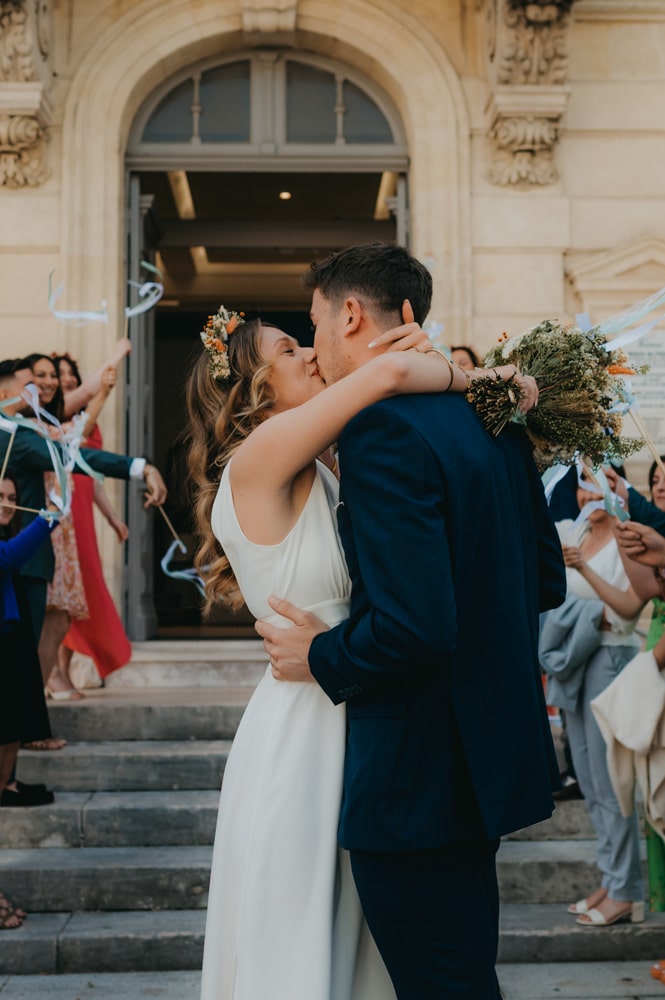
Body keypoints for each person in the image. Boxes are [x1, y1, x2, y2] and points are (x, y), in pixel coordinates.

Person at [185, 290, 530, 999]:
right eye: (288, 351)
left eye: (302, 339)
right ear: (250, 391)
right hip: (309, 725)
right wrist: (492, 382)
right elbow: (385, 378)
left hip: (366, 706)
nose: (310, 352)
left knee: (382, 945)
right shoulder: (258, 457)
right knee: (307, 934)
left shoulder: (322, 464)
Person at [254, 242, 566, 999]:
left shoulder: (383, 430)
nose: (317, 345)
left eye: (315, 324)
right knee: (459, 971)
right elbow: (545, 579)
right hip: (483, 761)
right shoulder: (488, 419)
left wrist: (320, 655)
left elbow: (415, 626)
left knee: (441, 984)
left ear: (350, 314)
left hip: (416, 778)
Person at [0, 360, 167, 706]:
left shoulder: (21, 432)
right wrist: (141, 467)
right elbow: (73, 458)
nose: (37, 391)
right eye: (27, 385)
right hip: (22, 560)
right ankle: (24, 735)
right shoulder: (16, 437)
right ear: (4, 394)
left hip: (21, 559)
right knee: (20, 659)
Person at [541, 466, 645, 927]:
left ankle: (626, 891)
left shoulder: (628, 537)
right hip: (574, 655)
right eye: (582, 481)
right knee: (585, 772)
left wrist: (581, 568)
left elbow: (627, 606)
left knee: (610, 781)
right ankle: (611, 879)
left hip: (610, 658)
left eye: (598, 480)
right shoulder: (572, 529)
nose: (589, 491)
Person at [53, 354, 131, 692]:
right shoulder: (53, 417)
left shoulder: (84, 415)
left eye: (71, 373)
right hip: (65, 510)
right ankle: (55, 674)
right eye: (60, 375)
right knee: (69, 589)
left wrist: (113, 517)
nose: (67, 379)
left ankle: (62, 672)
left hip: (85, 509)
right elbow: (78, 437)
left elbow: (94, 475)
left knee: (83, 591)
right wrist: (104, 391)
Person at [1, 473, 56, 823]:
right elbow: (8, 557)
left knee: (13, 725)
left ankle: (5, 784)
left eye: (10, 496)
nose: (6, 503)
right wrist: (48, 518)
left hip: (11, 635)